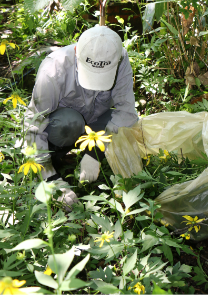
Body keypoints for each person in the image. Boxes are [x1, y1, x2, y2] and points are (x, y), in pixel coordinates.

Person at [24, 25, 139, 208]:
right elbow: (34, 125)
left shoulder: (121, 59)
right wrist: (51, 180)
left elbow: (126, 112)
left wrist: (94, 152)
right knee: (69, 123)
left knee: (128, 124)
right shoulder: (53, 70)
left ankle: (90, 157)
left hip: (96, 125)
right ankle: (56, 158)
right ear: (76, 51)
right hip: (63, 128)